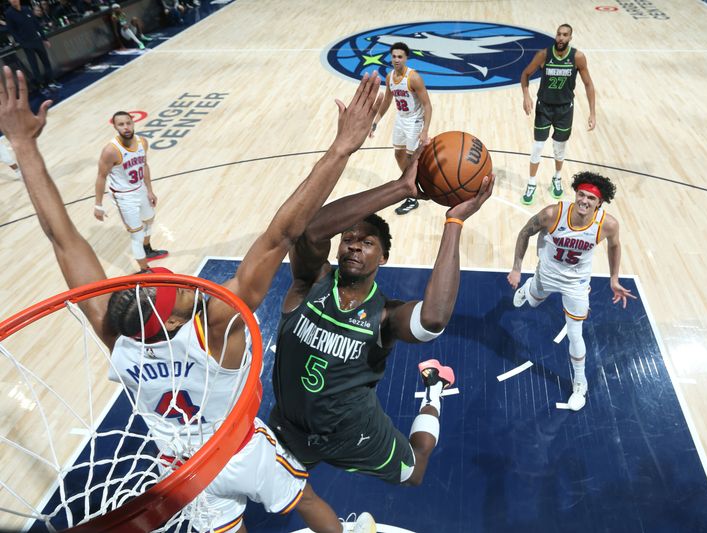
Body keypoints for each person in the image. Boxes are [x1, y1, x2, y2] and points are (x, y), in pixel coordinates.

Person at [0, 65, 385, 533]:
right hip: (239, 446)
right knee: (305, 501)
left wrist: (23, 147)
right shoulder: (217, 327)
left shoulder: (114, 332)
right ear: (179, 319)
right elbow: (280, 233)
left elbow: (63, 239)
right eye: (180, 289)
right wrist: (342, 147)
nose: (186, 283)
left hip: (182, 470)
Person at [268, 147, 493, 487]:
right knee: (280, 486)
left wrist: (455, 221)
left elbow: (432, 319)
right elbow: (311, 231)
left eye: (367, 242)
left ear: (384, 257)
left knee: (414, 473)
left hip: (354, 435)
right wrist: (400, 187)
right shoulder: (310, 282)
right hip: (290, 425)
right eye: (348, 239)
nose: (355, 246)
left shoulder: (385, 314)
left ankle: (433, 392)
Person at [506, 171, 635, 411]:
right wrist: (516, 268)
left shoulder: (607, 224)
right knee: (532, 302)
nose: (584, 201)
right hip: (547, 274)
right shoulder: (552, 214)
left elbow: (615, 246)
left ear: (600, 203)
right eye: (581, 194)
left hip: (576, 284)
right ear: (575, 193)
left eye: (591, 198)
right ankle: (528, 288)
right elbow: (525, 231)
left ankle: (579, 383)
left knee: (575, 334)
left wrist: (614, 278)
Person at [519, 24, 595, 205]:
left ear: (570, 38)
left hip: (564, 109)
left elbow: (588, 84)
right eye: (559, 34)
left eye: (565, 35)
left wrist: (592, 113)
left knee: (559, 148)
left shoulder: (577, 57)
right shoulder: (544, 54)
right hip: (544, 107)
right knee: (538, 146)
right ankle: (531, 183)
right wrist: (526, 96)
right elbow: (525, 74)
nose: (561, 38)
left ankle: (557, 178)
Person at [94, 111, 168, 270]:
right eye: (121, 124)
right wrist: (98, 205)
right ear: (115, 127)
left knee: (149, 219)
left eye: (128, 123)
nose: (126, 127)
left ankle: (147, 250)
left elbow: (144, 165)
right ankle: (144, 270)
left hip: (140, 189)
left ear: (133, 123)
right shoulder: (110, 151)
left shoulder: (142, 142)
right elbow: (101, 177)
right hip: (124, 197)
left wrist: (150, 190)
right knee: (137, 235)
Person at [369, 41, 432, 215]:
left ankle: (413, 195)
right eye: (394, 56)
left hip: (414, 120)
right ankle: (410, 185)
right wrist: (376, 121)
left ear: (406, 58)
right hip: (401, 118)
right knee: (398, 154)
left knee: (413, 159)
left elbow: (427, 105)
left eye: (400, 57)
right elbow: (388, 100)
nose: (396, 60)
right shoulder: (390, 77)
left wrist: (425, 129)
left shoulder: (414, 78)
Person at [3, 0, 62, 93]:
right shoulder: (9, 13)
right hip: (27, 44)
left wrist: (44, 38)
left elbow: (36, 25)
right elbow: (12, 31)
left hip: (37, 40)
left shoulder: (26, 9)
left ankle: (51, 82)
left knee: (46, 61)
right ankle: (41, 86)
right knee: (34, 66)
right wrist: (22, 43)